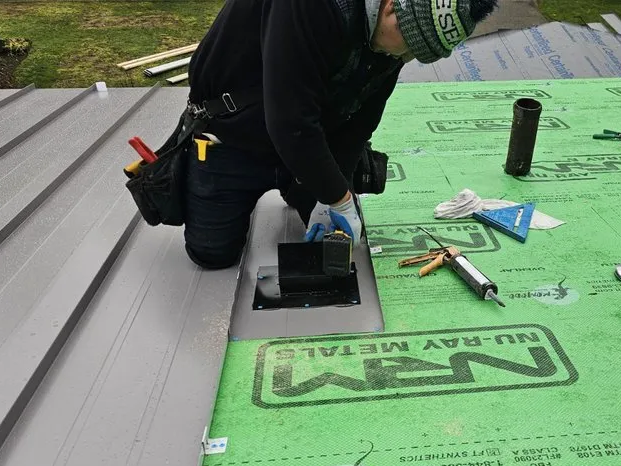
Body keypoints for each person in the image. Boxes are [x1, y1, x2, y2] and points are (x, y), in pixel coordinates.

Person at [180, 0, 498, 270]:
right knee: (211, 254)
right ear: (390, 7)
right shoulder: (312, 8)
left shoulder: (397, 38)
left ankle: (300, 179)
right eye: (409, 45)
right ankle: (287, 177)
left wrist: (332, 191)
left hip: (308, 135)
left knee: (332, 241)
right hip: (234, 132)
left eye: (416, 53)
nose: (405, 57)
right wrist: (340, 200)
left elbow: (361, 121)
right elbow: (291, 123)